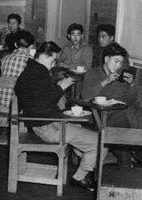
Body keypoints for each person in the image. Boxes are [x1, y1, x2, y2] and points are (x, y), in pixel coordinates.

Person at [15, 41, 103, 191]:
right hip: (47, 127)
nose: (54, 63)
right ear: (43, 56)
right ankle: (80, 177)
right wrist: (60, 88)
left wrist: (57, 89)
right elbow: (41, 105)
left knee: (78, 127)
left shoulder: (30, 71)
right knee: (100, 142)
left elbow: (37, 98)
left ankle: (85, 158)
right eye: (53, 60)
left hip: (43, 124)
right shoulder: (39, 74)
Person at [81, 42, 142, 166]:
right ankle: (129, 162)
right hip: (105, 114)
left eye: (121, 62)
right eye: (116, 61)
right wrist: (105, 81)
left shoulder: (122, 76)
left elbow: (131, 100)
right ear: (106, 59)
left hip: (129, 112)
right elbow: (85, 97)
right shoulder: (93, 73)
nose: (119, 66)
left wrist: (132, 85)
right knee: (120, 132)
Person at [0, 30, 36, 113]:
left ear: (15, 44)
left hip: (2, 106)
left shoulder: (5, 59)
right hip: (21, 109)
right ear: (31, 47)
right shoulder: (32, 62)